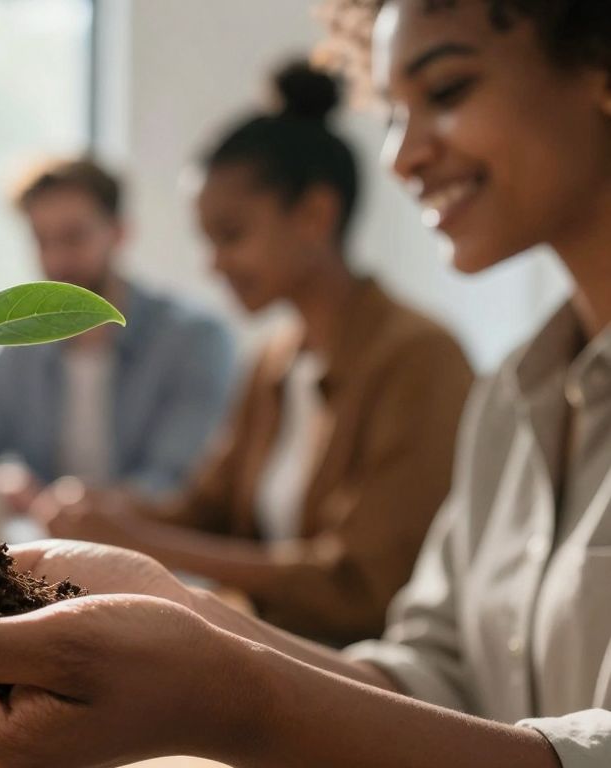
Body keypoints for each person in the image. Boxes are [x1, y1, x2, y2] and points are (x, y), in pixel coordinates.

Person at [0, 0, 611, 765]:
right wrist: (172, 601)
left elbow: (362, 595)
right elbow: (433, 681)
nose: (402, 158)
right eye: (392, 116)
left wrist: (229, 692)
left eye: (447, 91)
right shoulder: (512, 393)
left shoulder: (422, 360)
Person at [42, 61, 474, 646]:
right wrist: (112, 513)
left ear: (316, 215)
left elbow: (360, 585)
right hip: (269, 650)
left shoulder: (420, 359)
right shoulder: (275, 360)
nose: (214, 263)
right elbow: (209, 510)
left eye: (232, 235)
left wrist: (142, 542)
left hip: (358, 673)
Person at [0, 157, 236, 515]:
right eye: (42, 240)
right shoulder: (19, 345)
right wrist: (3, 478)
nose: (57, 260)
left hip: (145, 538)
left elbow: (178, 479)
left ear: (119, 233)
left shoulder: (194, 340)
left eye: (74, 237)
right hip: (41, 536)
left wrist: (92, 511)